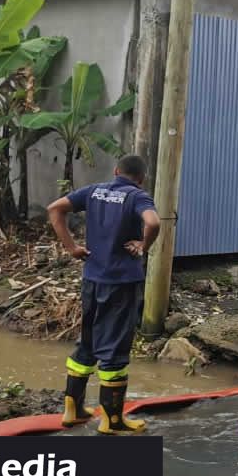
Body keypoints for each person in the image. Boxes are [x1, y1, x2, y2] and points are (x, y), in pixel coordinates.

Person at [47, 154, 160, 435]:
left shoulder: (93, 191)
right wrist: (144, 245)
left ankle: (73, 410)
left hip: (92, 278)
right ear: (141, 178)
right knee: (115, 348)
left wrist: (72, 248)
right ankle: (112, 419)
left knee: (87, 341)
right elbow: (154, 222)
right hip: (121, 282)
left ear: (116, 171)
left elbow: (55, 209)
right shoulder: (137, 196)